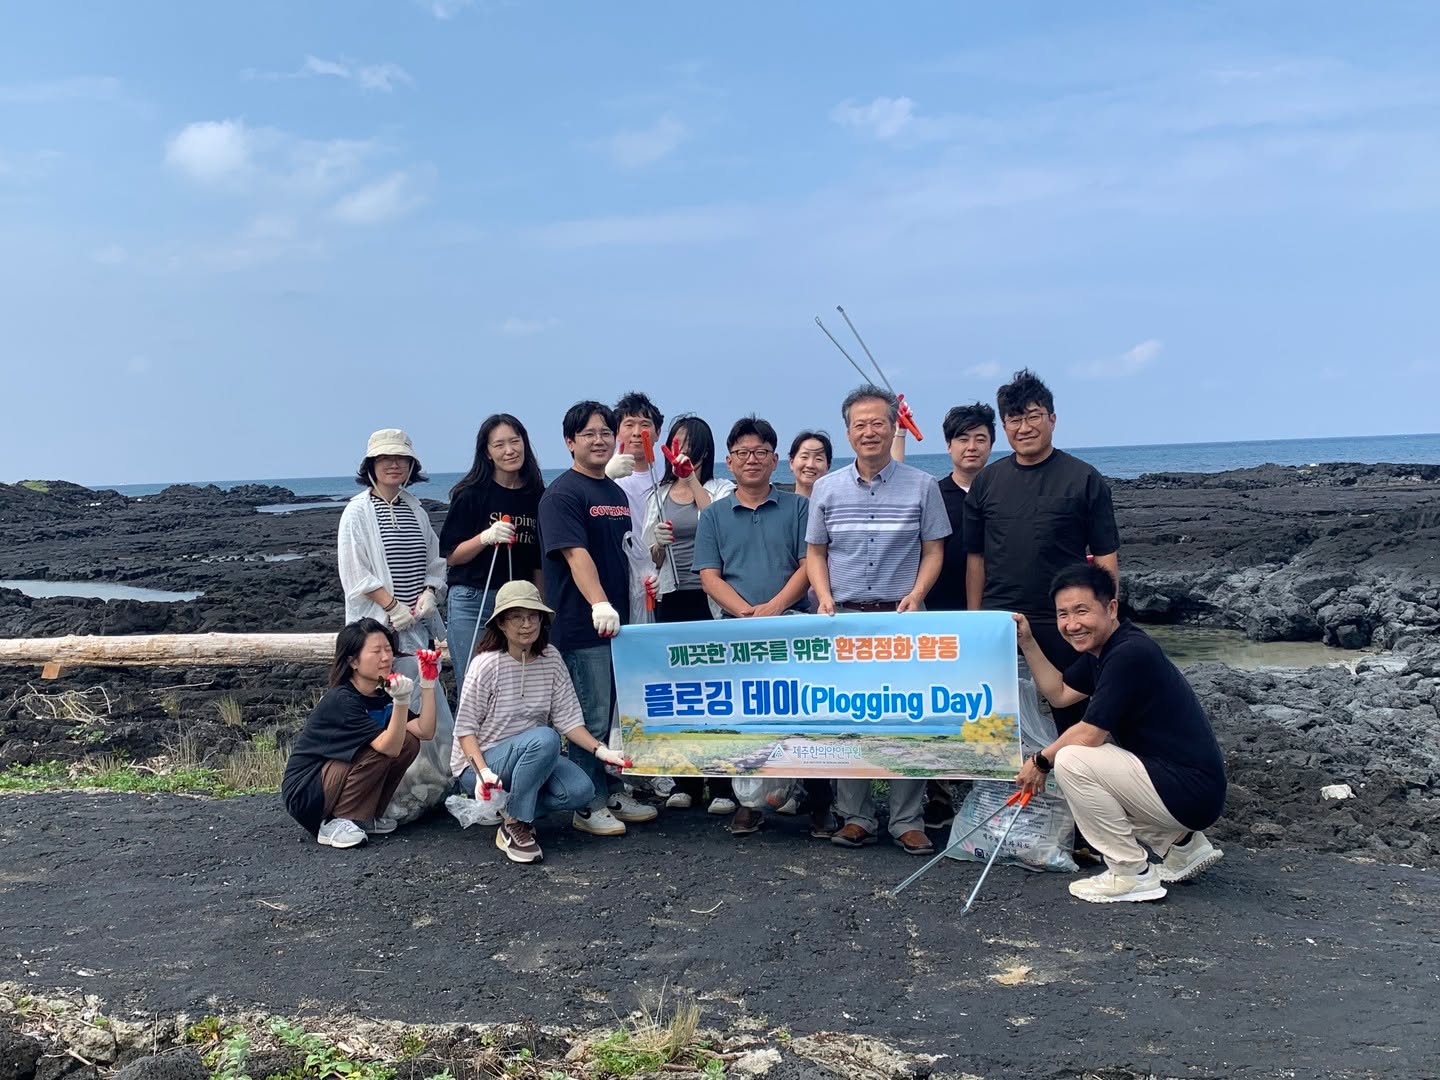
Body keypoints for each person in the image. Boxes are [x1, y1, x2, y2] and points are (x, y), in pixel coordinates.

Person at [1014, 563, 1226, 903]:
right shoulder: (1104, 650)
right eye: (1063, 614)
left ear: (1111, 608)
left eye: (1082, 611)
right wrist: (1027, 641)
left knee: (1072, 760)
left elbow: (1090, 735)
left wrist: (1040, 761)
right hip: (1185, 786)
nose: (1072, 624)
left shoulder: (1129, 653)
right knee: (1082, 759)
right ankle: (1182, 846)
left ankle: (1130, 873)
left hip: (1189, 790)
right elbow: (1060, 693)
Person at [806, 385, 951, 855]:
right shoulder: (826, 488)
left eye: (878, 423)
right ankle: (856, 816)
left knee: (909, 717)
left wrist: (918, 593)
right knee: (850, 718)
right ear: (848, 432)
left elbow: (934, 550)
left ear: (894, 426)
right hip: (844, 619)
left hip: (904, 619)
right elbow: (816, 551)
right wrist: (824, 597)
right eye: (859, 424)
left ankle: (907, 820)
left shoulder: (923, 486)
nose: (869, 432)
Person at [693, 415, 836, 838]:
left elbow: (809, 564)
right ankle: (749, 803)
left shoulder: (799, 507)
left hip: (793, 629)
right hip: (737, 635)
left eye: (760, 452)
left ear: (775, 460)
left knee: (808, 715)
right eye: (742, 453)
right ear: (729, 461)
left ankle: (819, 802)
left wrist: (774, 607)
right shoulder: (715, 515)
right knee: (745, 718)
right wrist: (744, 613)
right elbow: (709, 575)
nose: (751, 460)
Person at [964, 370, 1119, 733]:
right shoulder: (987, 481)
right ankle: (1001, 790)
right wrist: (975, 619)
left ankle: (1073, 787)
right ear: (1005, 426)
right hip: (1001, 620)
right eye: (1014, 419)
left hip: (1066, 620)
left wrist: (1107, 618)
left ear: (1052, 418)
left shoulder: (1084, 478)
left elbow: (1106, 556)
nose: (1024, 427)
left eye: (1033, 416)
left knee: (1075, 720)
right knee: (996, 724)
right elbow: (976, 558)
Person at [538, 400, 659, 836]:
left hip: (619, 625)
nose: (598, 440)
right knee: (588, 715)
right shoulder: (562, 494)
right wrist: (598, 603)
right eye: (588, 434)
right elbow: (575, 553)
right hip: (581, 624)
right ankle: (586, 803)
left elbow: (624, 551)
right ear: (570, 443)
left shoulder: (614, 491)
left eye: (605, 433)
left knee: (612, 714)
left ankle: (609, 790)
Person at [451, 580, 629, 863]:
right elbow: (465, 729)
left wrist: (602, 751)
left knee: (582, 790)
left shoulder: (551, 658)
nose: (526, 624)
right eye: (516, 617)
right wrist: (482, 771)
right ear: (501, 624)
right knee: (545, 737)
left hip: (535, 756)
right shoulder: (486, 663)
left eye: (532, 616)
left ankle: (509, 808)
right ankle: (515, 824)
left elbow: (569, 721)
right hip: (484, 764)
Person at [336, 429, 456, 824]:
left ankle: (429, 790)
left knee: (426, 702)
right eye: (385, 458)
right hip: (379, 631)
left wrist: (428, 593)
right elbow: (356, 571)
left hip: (417, 627)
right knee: (387, 711)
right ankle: (384, 799)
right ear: (370, 465)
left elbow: (435, 560)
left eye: (401, 459)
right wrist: (391, 606)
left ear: (411, 466)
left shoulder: (415, 508)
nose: (394, 464)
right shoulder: (357, 511)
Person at [641, 414, 737, 813]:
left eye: (692, 447)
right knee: (680, 693)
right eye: (677, 445)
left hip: (711, 600)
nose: (683, 453)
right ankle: (685, 781)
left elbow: (720, 523)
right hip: (671, 599)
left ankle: (722, 785)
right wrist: (657, 544)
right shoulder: (656, 494)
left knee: (718, 693)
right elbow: (651, 554)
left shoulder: (720, 487)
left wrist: (692, 479)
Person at [281, 619, 439, 847]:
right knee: (383, 747)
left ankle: (365, 815)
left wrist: (427, 683)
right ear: (353, 661)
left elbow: (425, 731)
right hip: (308, 792)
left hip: (335, 777)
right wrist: (401, 700)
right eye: (376, 651)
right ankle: (334, 822)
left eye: (388, 650)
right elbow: (388, 747)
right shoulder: (342, 700)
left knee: (409, 742)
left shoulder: (380, 693)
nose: (386, 657)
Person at [920, 402, 995, 828]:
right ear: (948, 445)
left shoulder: (1003, 488)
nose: (971, 447)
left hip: (995, 615)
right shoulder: (932, 492)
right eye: (962, 439)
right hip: (940, 614)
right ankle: (939, 792)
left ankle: (990, 788)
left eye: (980, 438)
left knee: (991, 703)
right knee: (940, 704)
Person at [439, 414, 546, 690]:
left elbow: (538, 561)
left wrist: (540, 605)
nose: (509, 450)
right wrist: (485, 538)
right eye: (499, 445)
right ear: (487, 452)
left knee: (517, 682)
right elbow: (452, 555)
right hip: (473, 599)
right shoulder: (471, 493)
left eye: (515, 441)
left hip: (518, 602)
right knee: (474, 684)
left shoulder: (537, 496)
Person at [787, 430, 832, 499]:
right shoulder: (781, 506)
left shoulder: (835, 507)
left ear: (828, 466)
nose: (810, 465)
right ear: (791, 463)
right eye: (804, 457)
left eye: (818, 459)